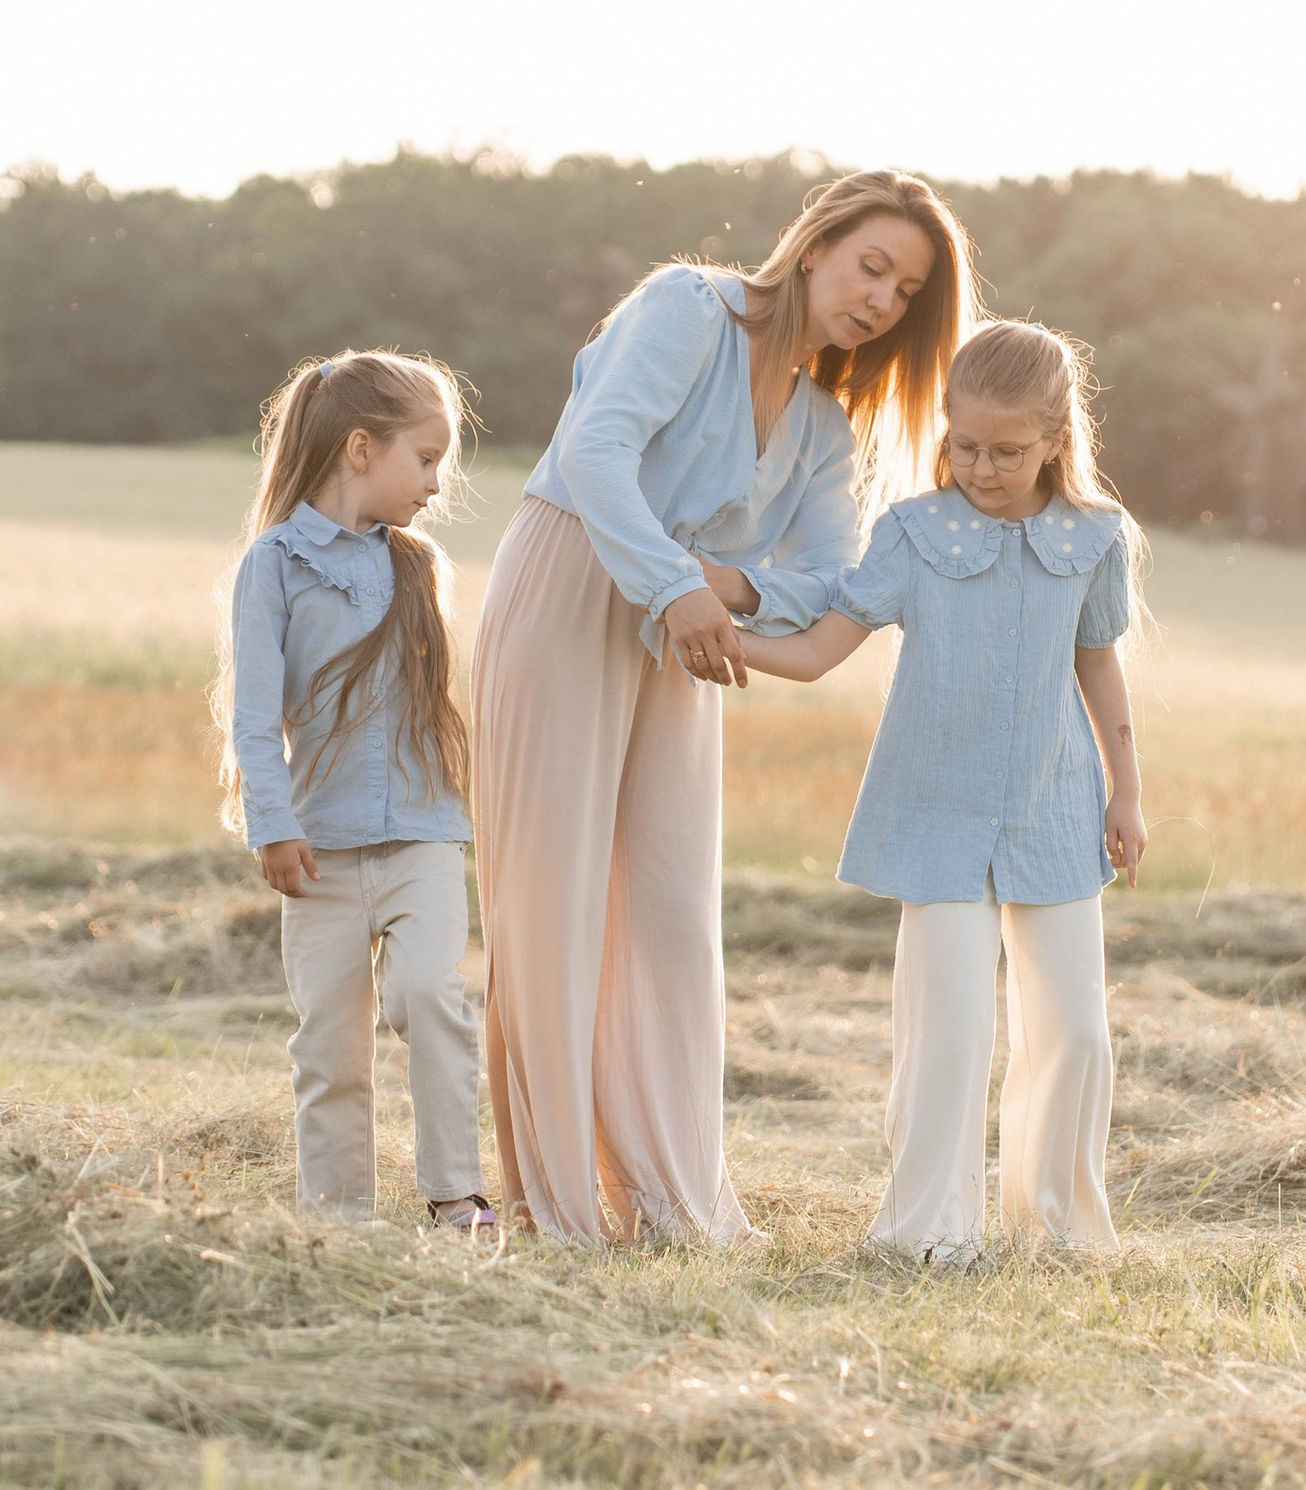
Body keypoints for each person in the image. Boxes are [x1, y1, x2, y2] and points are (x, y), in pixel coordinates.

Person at [472, 171, 979, 1244]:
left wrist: (719, 589)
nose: (881, 301)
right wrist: (680, 583)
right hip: (571, 581)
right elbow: (596, 456)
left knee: (666, 908)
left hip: (682, 633)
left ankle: (670, 1197)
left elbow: (831, 584)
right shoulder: (684, 308)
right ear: (814, 247)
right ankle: (558, 1205)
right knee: (554, 893)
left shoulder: (824, 431)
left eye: (906, 291)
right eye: (871, 266)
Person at [738, 316, 1145, 1262]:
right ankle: (929, 1233)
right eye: (963, 445)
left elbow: (1101, 669)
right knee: (951, 1031)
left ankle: (1057, 1231)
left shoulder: (1094, 537)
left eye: (1008, 450)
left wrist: (1127, 793)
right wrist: (725, 641)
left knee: (1076, 1030)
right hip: (939, 815)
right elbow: (818, 650)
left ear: (1055, 439)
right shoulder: (914, 533)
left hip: (1055, 807)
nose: (982, 466)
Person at [220, 351, 498, 1233]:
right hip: (321, 848)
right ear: (361, 448)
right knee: (331, 1046)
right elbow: (255, 717)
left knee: (428, 993)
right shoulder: (273, 566)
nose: (436, 483)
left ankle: (456, 1194)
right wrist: (273, 824)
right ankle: (336, 1220)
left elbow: (441, 707)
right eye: (427, 460)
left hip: (423, 835)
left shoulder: (418, 567)